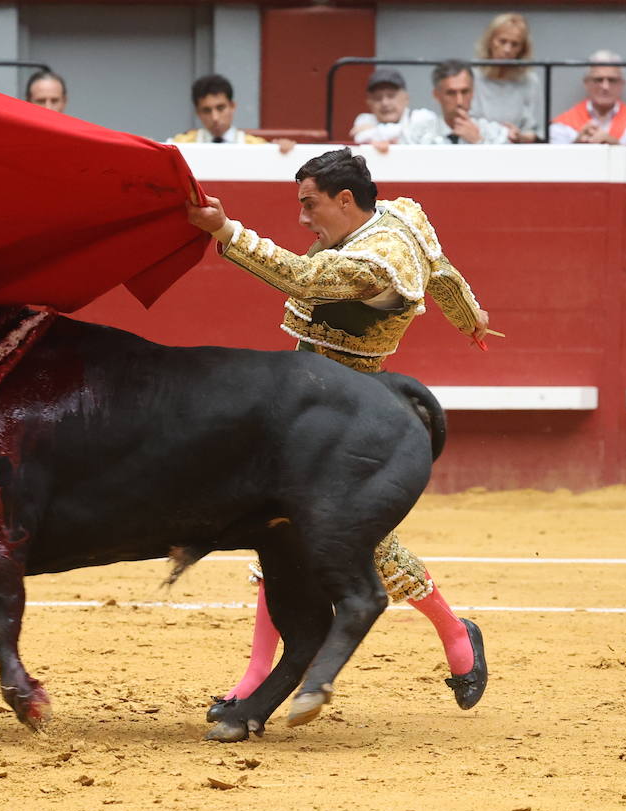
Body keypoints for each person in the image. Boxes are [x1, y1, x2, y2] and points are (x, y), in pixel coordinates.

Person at [184, 148, 491, 714]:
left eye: (310, 205)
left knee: (362, 541)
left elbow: (302, 278)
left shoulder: (375, 265)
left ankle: (455, 633)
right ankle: (257, 673)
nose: (302, 218)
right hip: (310, 398)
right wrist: (470, 316)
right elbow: (442, 269)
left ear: (344, 200)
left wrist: (225, 230)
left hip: (346, 413)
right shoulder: (398, 214)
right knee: (274, 523)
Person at [168, 74, 294, 152]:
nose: (215, 117)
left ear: (232, 106)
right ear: (198, 112)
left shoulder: (257, 146)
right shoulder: (179, 145)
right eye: (207, 110)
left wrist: (283, 150)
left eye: (220, 108)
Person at [549, 50, 626, 146]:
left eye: (612, 80)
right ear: (586, 83)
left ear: (622, 84)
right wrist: (577, 144)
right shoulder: (562, 125)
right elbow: (554, 158)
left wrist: (615, 145)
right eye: (598, 80)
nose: (605, 87)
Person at [471, 11, 541, 143]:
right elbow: (464, 123)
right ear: (490, 41)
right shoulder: (472, 76)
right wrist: (498, 134)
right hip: (477, 147)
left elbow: (536, 131)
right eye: (502, 41)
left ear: (522, 49)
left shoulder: (529, 80)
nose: (507, 49)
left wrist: (520, 136)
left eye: (515, 44)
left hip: (516, 148)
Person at [409, 60, 509, 145]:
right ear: (436, 95)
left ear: (473, 92)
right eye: (451, 93)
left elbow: (504, 162)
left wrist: (479, 142)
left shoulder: (493, 133)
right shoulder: (419, 135)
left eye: (465, 92)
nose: (459, 101)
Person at [350, 67, 439, 149]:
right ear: (369, 103)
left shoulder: (423, 117)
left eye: (391, 96)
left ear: (406, 98)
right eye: (377, 98)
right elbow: (360, 138)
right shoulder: (364, 119)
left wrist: (375, 129)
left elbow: (410, 135)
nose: (384, 103)